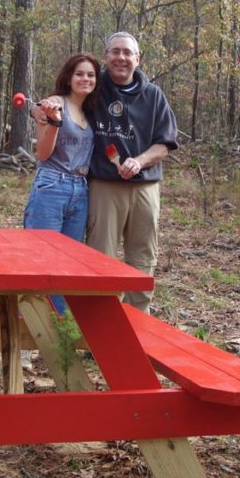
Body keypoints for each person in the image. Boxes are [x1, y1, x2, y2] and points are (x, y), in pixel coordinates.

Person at [37, 32, 178, 313]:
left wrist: (139, 161)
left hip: (144, 188)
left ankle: (139, 324)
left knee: (142, 256)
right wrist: (36, 109)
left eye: (127, 53)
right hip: (103, 186)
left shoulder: (153, 96)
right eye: (115, 52)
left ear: (138, 59)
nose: (121, 58)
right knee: (100, 258)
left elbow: (165, 144)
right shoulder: (94, 88)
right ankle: (102, 325)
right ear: (106, 57)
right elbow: (59, 101)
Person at [23, 52, 102, 313]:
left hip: (80, 192)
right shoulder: (55, 104)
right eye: (79, 73)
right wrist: (53, 121)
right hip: (51, 187)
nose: (85, 79)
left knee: (68, 265)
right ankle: (34, 329)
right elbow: (43, 154)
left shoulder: (91, 110)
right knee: (42, 261)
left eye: (90, 75)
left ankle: (58, 334)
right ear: (68, 77)